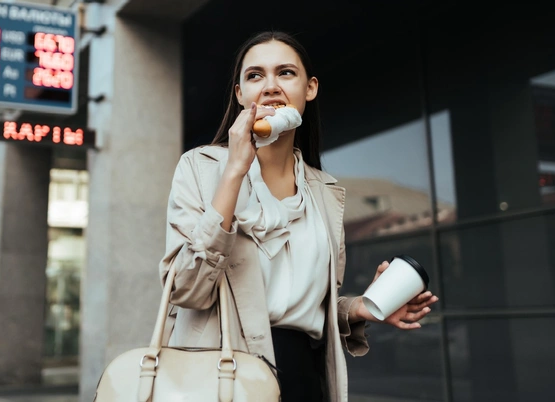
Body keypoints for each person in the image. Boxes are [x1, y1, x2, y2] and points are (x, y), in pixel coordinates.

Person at [160, 31, 439, 401]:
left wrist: (359, 308)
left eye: (286, 73)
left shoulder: (324, 191)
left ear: (310, 88)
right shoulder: (200, 167)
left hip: (305, 381)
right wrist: (233, 173)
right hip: (221, 378)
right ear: (240, 94)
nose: (271, 86)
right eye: (256, 76)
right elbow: (185, 289)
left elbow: (304, 309)